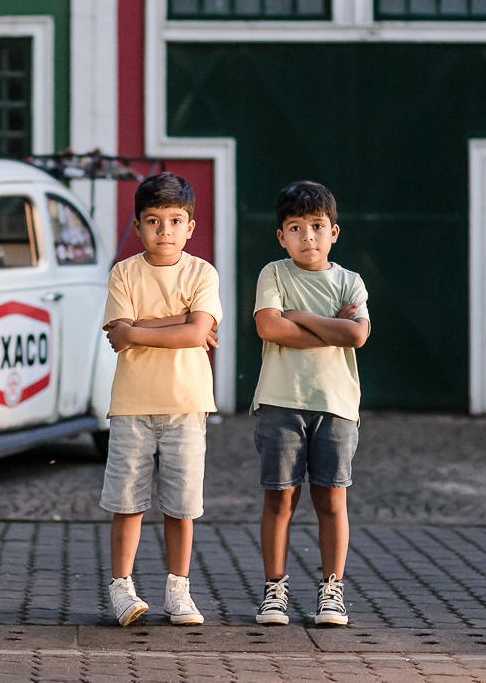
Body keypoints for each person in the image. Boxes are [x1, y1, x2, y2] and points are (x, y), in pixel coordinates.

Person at [100, 172, 223, 626]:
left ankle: (178, 591)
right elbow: (119, 337)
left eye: (175, 221)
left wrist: (141, 328)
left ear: (190, 227)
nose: (164, 231)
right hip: (132, 405)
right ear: (137, 225)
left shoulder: (201, 272)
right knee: (126, 502)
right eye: (153, 221)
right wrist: (180, 321)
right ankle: (121, 589)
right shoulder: (124, 272)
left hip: (187, 406)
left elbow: (195, 335)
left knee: (181, 505)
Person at [251, 181, 370, 628]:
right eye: (296, 228)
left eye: (318, 227)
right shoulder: (274, 274)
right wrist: (326, 327)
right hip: (279, 403)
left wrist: (298, 317)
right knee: (279, 501)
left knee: (331, 501)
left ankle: (331, 592)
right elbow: (269, 328)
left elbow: (357, 335)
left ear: (333, 232)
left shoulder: (349, 281)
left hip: (336, 406)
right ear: (281, 236)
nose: (308, 237)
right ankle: (274, 590)